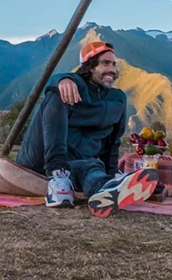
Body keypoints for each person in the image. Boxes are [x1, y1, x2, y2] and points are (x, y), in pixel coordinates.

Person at [16, 41, 158, 217]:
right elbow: (56, 79)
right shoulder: (74, 84)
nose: (112, 70)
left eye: (114, 64)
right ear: (90, 67)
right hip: (41, 157)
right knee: (57, 93)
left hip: (77, 162)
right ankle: (57, 175)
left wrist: (111, 175)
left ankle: (104, 190)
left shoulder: (117, 99)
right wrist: (62, 80)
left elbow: (112, 143)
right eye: (105, 63)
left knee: (92, 167)